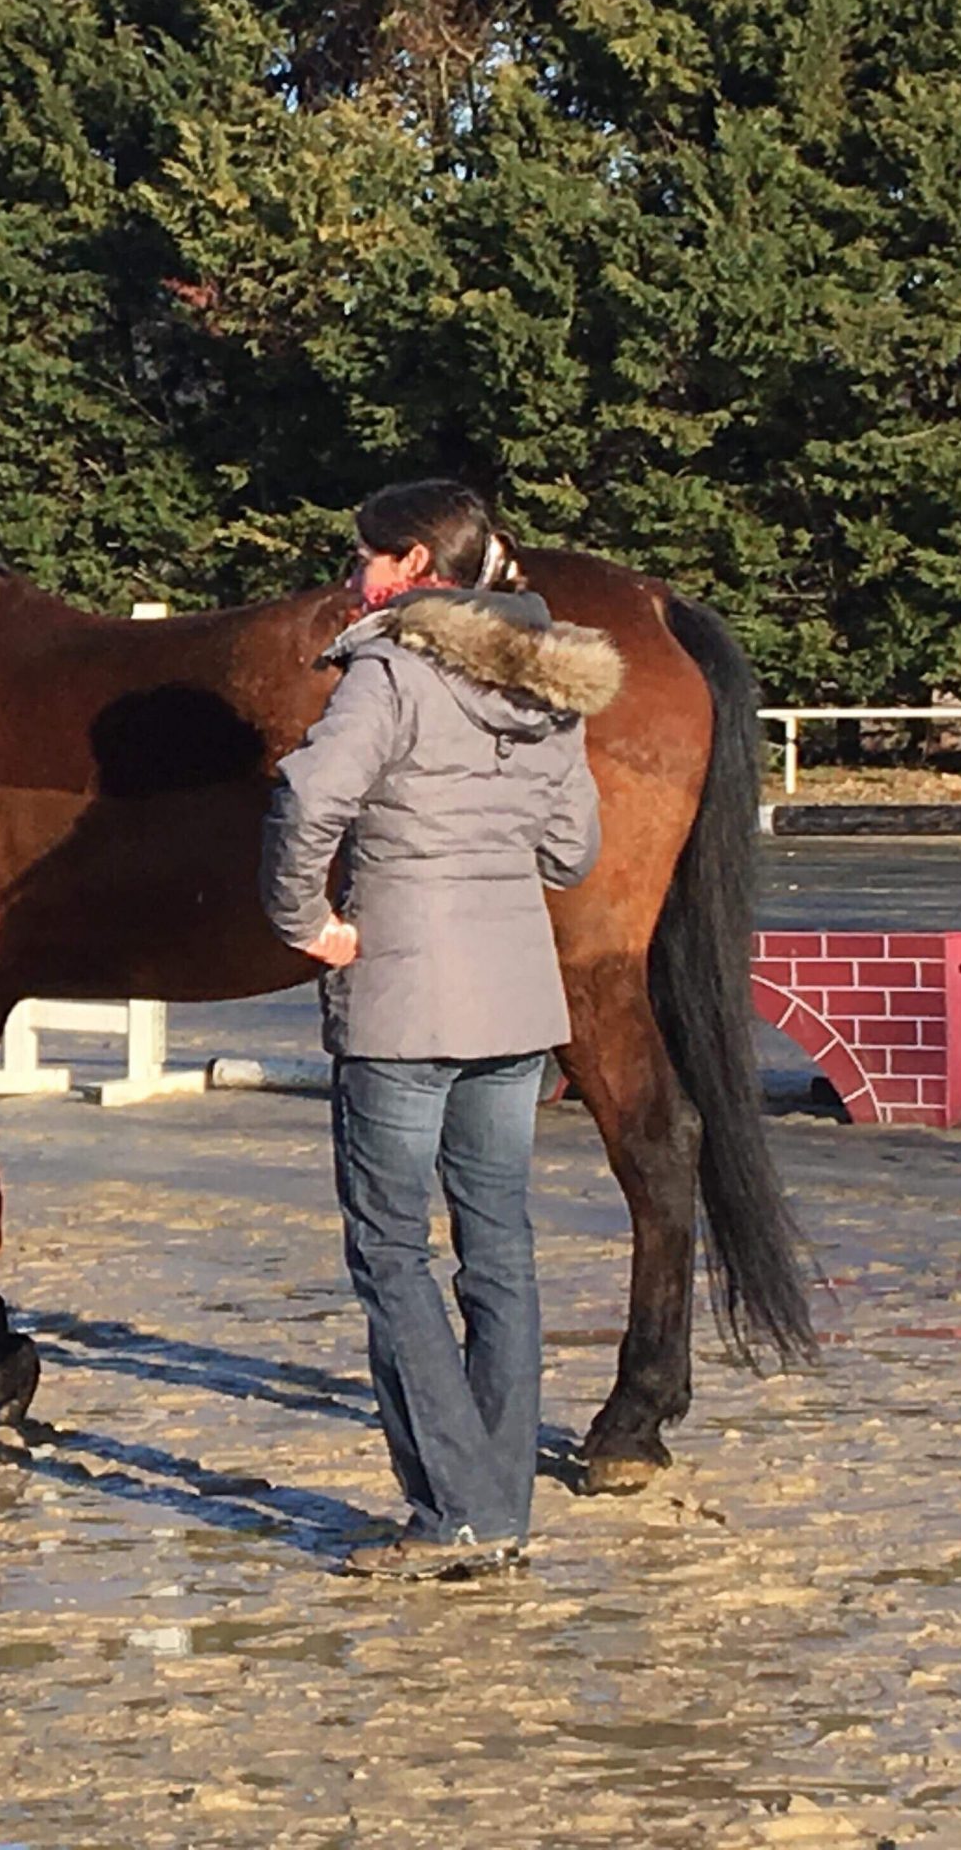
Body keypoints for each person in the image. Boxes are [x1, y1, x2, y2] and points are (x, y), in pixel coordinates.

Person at [260, 478, 622, 1581]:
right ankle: (496, 1502)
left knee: (390, 1251)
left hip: (401, 999)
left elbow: (307, 796)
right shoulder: (547, 688)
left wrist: (303, 921)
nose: (357, 575)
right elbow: (571, 851)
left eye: (370, 557)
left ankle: (456, 1512)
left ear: (416, 565)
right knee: (498, 1249)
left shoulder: (391, 669)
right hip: (513, 997)